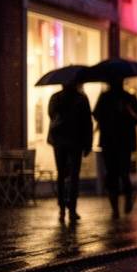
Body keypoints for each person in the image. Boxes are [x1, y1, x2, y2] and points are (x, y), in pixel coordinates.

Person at [94, 80, 137, 218]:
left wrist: (127, 110)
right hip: (111, 141)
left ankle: (126, 198)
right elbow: (97, 115)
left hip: (121, 142)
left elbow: (136, 118)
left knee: (121, 173)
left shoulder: (128, 98)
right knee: (114, 174)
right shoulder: (105, 97)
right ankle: (116, 206)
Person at [47, 82, 93, 222]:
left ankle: (62, 208)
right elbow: (87, 122)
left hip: (60, 141)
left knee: (61, 174)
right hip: (75, 142)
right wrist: (88, 144)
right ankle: (72, 209)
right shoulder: (81, 99)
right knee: (74, 176)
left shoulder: (56, 98)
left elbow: (51, 115)